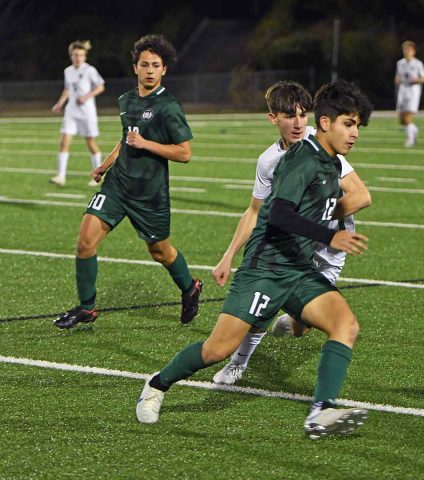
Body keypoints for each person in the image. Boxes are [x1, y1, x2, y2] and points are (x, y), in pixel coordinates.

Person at [136, 79, 373, 440]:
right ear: (326, 123)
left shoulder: (329, 162)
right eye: (349, 124)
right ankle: (157, 383)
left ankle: (320, 412)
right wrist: (331, 234)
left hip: (298, 269)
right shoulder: (302, 160)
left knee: (346, 326)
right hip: (265, 271)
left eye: (357, 126)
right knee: (217, 349)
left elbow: (349, 198)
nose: (355, 133)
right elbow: (277, 213)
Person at [211, 80, 371, 386]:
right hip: (291, 245)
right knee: (262, 301)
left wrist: (318, 217)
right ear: (273, 119)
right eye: (289, 116)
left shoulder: (322, 145)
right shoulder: (269, 161)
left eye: (303, 115)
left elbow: (361, 196)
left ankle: (293, 320)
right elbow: (256, 211)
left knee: (303, 327)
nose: (298, 123)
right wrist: (227, 256)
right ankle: (237, 364)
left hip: (330, 248)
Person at [53, 35, 202, 329]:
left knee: (159, 251)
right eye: (144, 64)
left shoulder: (169, 107)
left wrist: (147, 144)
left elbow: (184, 153)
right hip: (117, 185)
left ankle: (190, 287)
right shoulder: (126, 100)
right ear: (135, 67)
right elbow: (126, 139)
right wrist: (103, 165)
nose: (149, 70)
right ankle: (86, 308)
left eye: (155, 65)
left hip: (149, 193)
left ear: (164, 71)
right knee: (85, 242)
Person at [50, 40, 106, 187]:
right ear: (71, 56)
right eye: (75, 55)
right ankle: (60, 176)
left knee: (90, 142)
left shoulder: (90, 70)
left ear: (85, 56)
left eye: (81, 55)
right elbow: (67, 90)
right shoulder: (67, 71)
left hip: (87, 112)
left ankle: (98, 175)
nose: (78, 58)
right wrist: (59, 104)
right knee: (63, 142)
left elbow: (100, 87)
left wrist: (86, 96)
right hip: (71, 112)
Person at [394, 40, 424, 148]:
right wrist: (397, 79)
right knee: (402, 119)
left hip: (413, 91)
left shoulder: (418, 63)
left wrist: (415, 80)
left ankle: (411, 139)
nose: (407, 52)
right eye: (405, 50)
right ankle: (414, 129)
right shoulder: (400, 63)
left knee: (408, 116)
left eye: (409, 50)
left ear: (414, 51)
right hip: (403, 90)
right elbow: (398, 76)